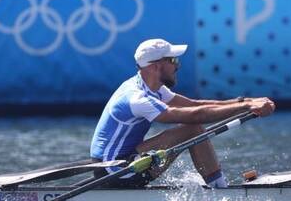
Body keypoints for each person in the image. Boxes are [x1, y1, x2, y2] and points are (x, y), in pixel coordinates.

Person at [90, 38, 275, 188]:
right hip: (116, 170)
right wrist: (247, 108)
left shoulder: (153, 88)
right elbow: (194, 116)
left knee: (192, 127)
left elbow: (194, 104)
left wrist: (248, 101)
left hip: (125, 161)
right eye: (173, 60)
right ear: (155, 67)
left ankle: (218, 186)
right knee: (191, 129)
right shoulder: (136, 98)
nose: (177, 65)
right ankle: (220, 189)